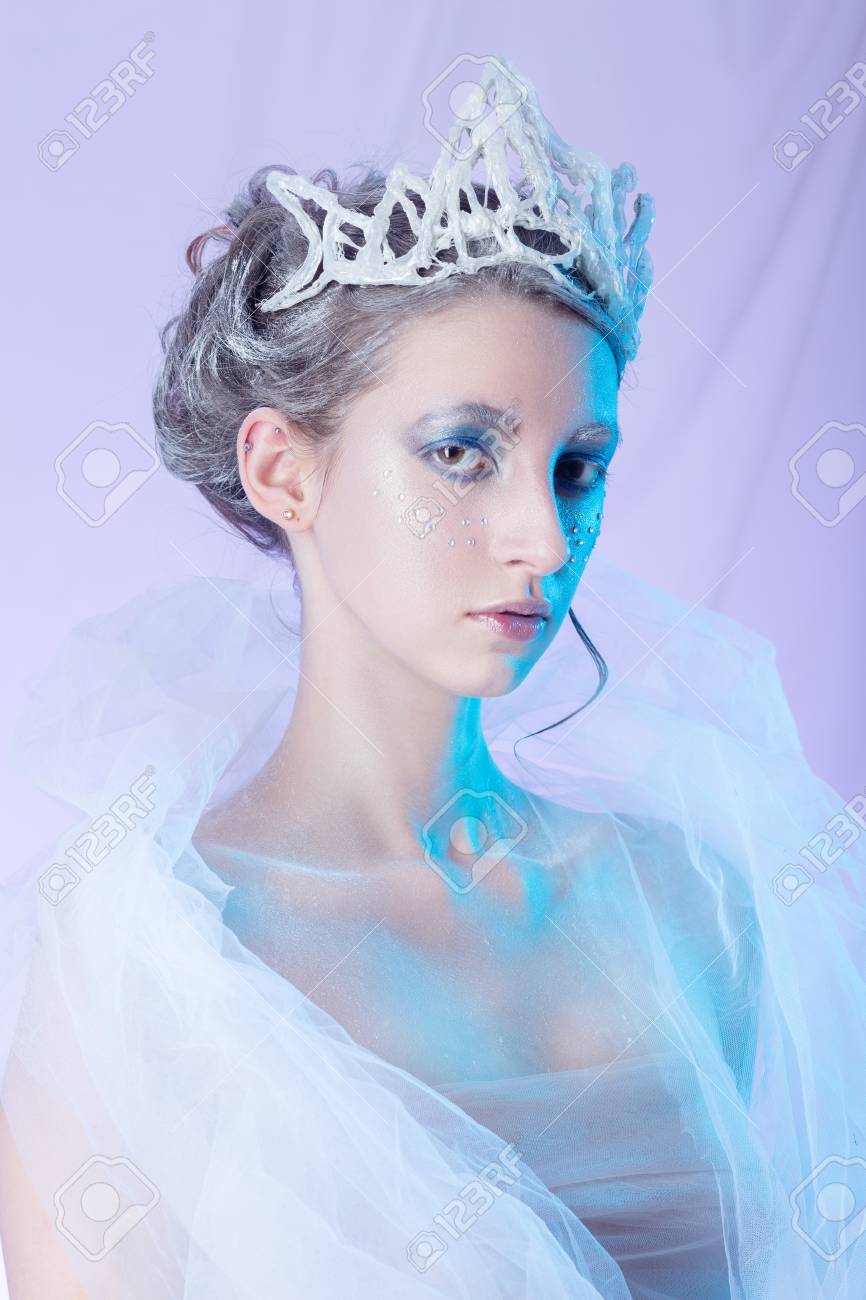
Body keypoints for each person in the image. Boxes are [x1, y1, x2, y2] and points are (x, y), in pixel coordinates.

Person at [2, 54, 864, 1299]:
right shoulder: (147, 960)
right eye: (461, 452)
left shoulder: (692, 900)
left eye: (577, 467)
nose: (545, 539)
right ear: (283, 471)